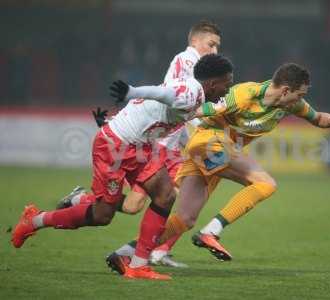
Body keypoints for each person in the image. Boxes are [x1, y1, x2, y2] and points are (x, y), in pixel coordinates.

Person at [11, 53, 234, 280]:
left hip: (139, 148)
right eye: (228, 83)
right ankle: (35, 220)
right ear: (213, 83)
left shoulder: (196, 95)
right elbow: (160, 93)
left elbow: (152, 110)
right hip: (114, 146)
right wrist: (132, 92)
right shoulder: (190, 92)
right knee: (102, 215)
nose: (228, 89)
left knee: (165, 194)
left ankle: (138, 266)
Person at [56, 20, 222, 268]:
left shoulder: (195, 69)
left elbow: (170, 108)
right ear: (195, 42)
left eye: (218, 46)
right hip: (161, 144)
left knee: (139, 204)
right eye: (211, 44)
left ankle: (140, 247)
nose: (215, 51)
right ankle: (143, 253)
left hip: (166, 139)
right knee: (168, 197)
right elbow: (170, 99)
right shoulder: (189, 63)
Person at [152, 62, 330, 261]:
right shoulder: (244, 94)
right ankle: (211, 231)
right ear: (286, 90)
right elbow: (204, 109)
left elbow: (318, 119)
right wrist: (164, 116)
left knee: (185, 219)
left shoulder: (292, 105)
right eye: (300, 94)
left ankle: (129, 253)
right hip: (209, 142)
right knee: (265, 183)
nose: (301, 100)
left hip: (217, 151)